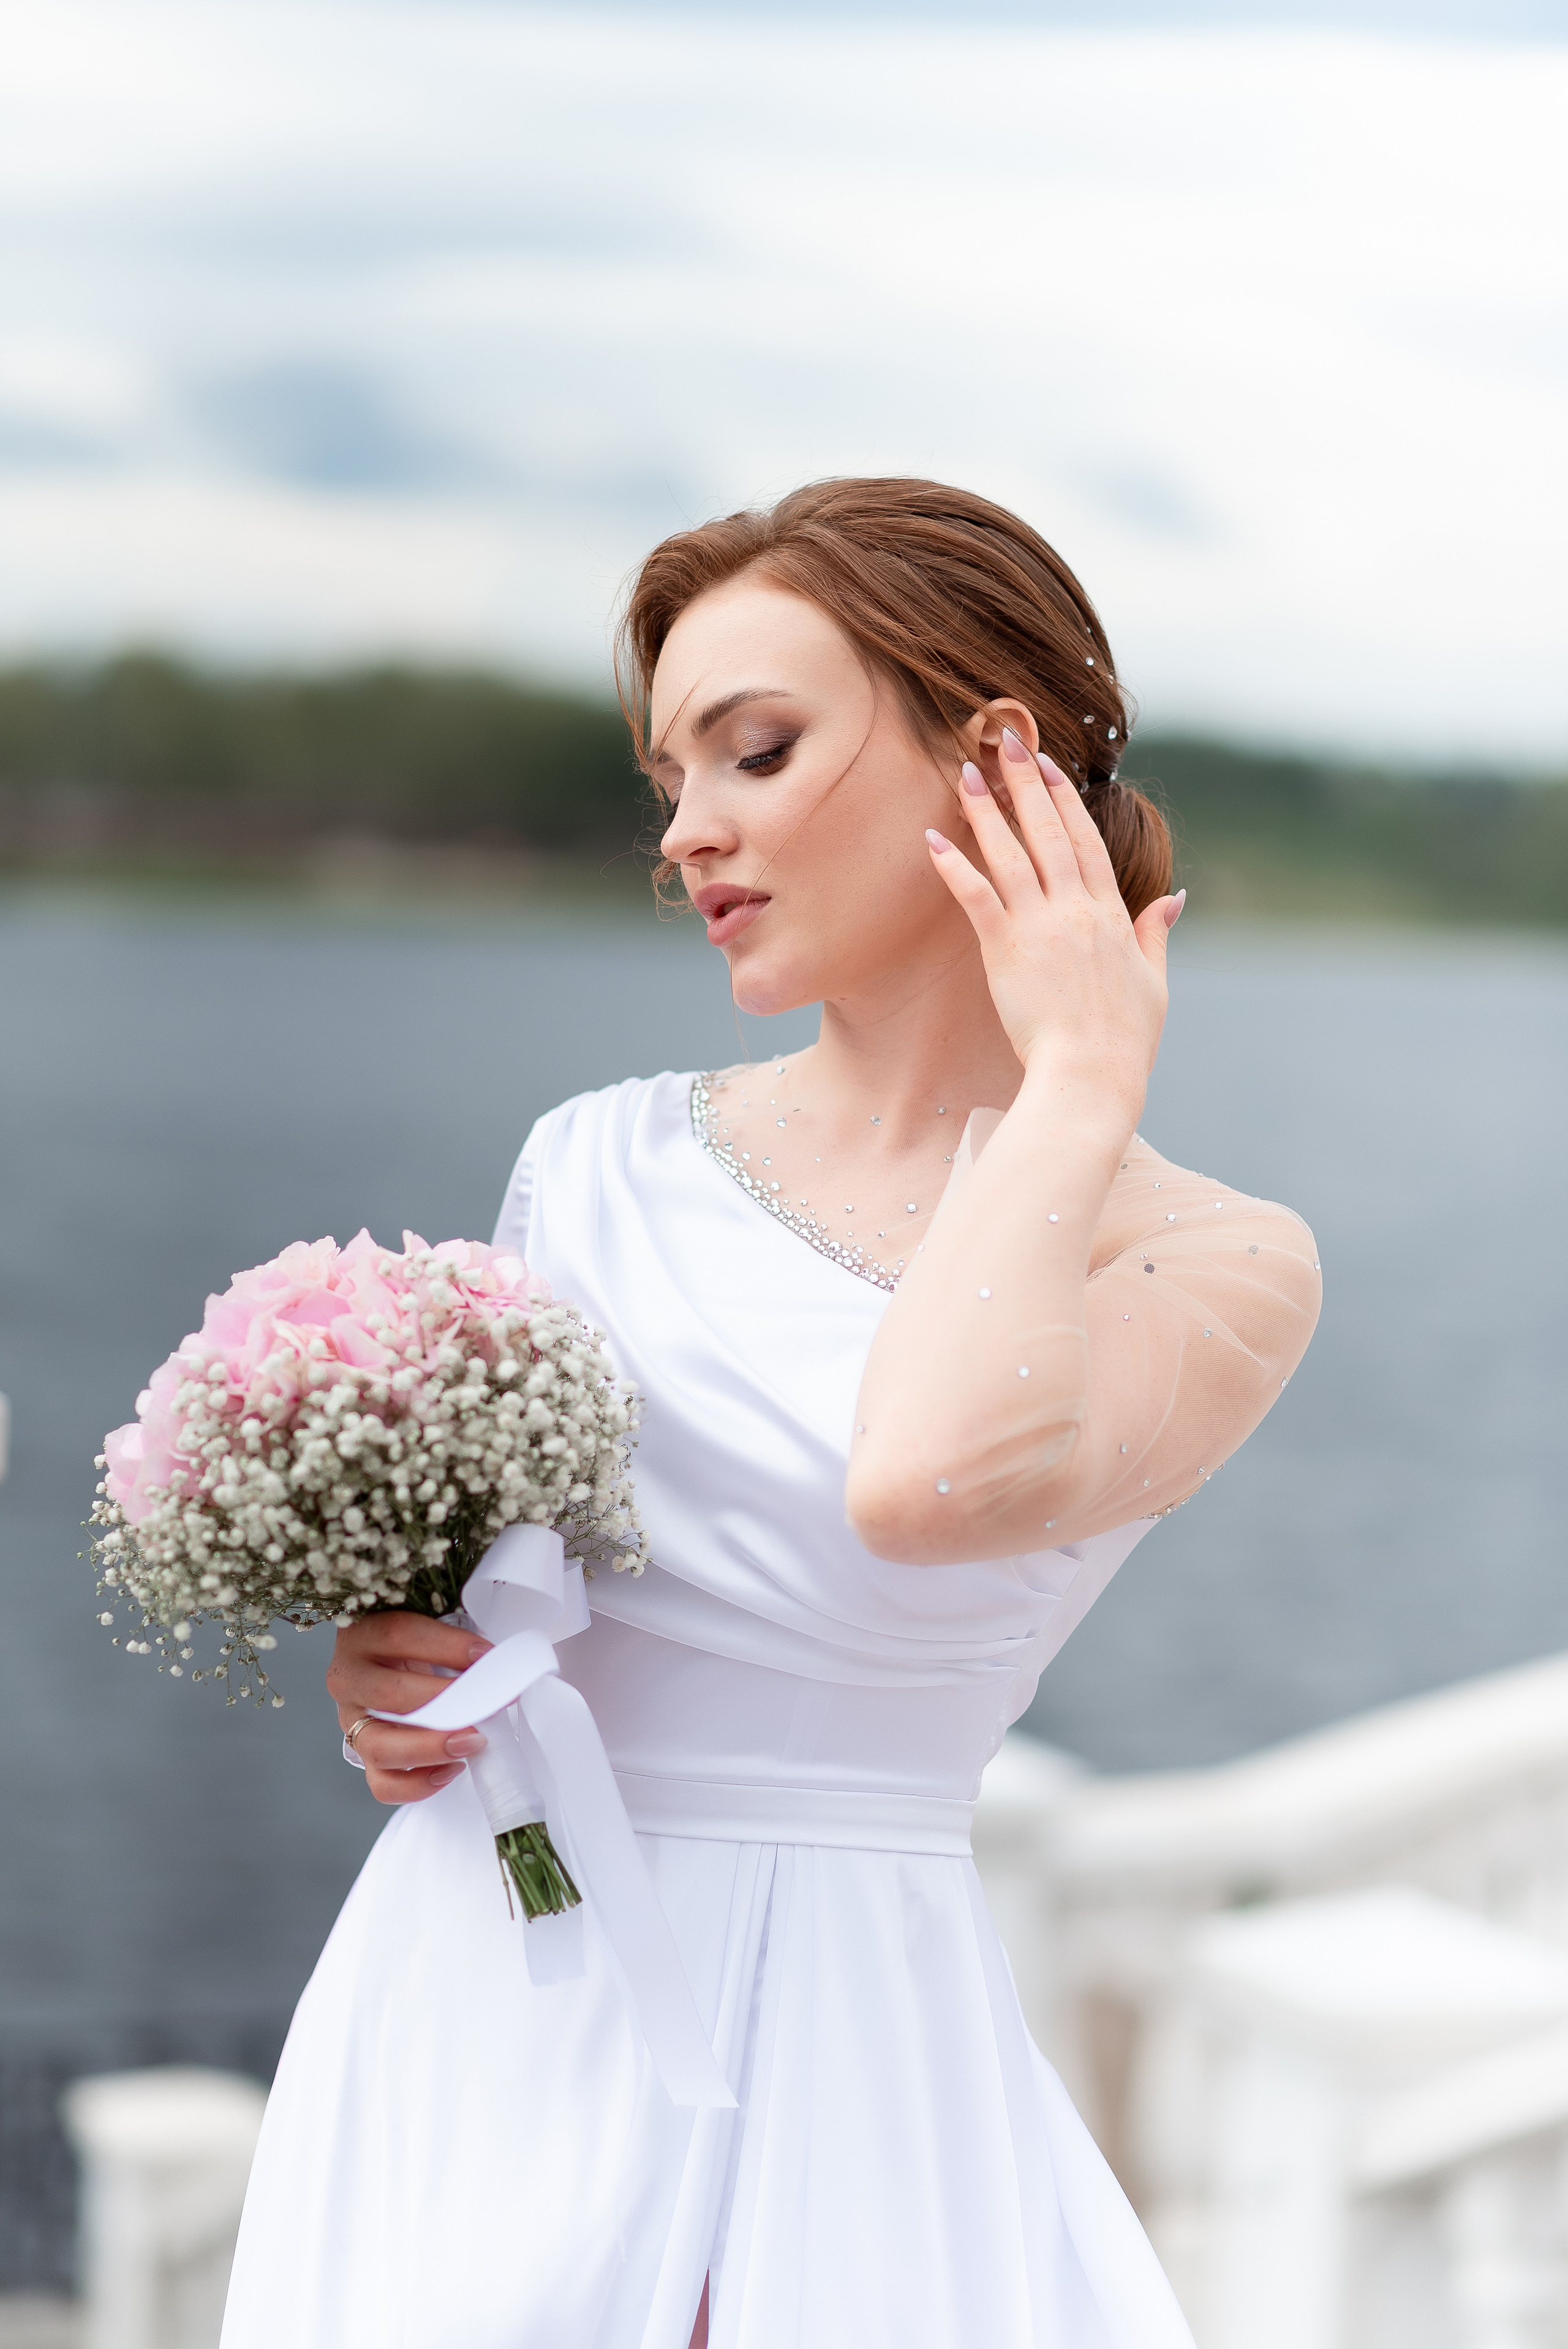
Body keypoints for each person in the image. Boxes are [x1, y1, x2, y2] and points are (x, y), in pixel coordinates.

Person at [221, 478, 1321, 2348]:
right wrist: (403, 1686)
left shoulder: (1213, 1257)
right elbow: (509, 1622)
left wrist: (1074, 1086)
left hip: (838, 2044)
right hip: (484, 1993)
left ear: (997, 755)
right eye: (671, 780)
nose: (688, 832)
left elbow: (924, 1482)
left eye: (755, 750)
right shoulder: (594, 1161)